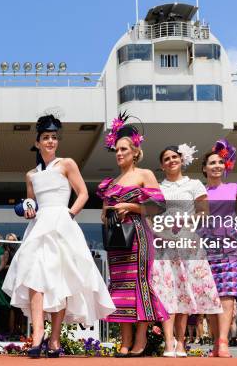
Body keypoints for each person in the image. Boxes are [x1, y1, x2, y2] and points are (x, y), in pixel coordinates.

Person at [3, 114, 115, 358]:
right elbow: (31, 204)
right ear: (37, 142)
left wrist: (70, 214)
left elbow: (84, 193)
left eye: (54, 137)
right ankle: (37, 335)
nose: (51, 141)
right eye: (46, 137)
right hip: (39, 227)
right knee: (33, 278)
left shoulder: (67, 164)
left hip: (63, 224)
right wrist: (26, 209)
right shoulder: (31, 174)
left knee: (60, 280)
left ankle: (55, 339)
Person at [96, 113, 168, 357]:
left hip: (138, 235)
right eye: (116, 150)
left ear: (135, 152)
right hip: (117, 240)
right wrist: (107, 213)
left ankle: (140, 340)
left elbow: (159, 206)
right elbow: (104, 213)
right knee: (120, 287)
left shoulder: (144, 174)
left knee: (139, 284)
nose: (119, 153)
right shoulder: (111, 182)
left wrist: (130, 207)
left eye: (124, 149)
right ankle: (124, 342)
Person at [151, 144, 222, 357]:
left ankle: (181, 343)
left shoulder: (194, 184)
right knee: (166, 293)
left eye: (175, 157)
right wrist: (159, 233)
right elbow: (150, 215)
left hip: (188, 243)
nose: (171, 160)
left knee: (182, 293)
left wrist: (184, 221)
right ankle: (168, 343)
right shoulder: (157, 187)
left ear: (181, 160)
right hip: (164, 244)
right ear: (162, 166)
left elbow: (204, 212)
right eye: (166, 158)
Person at [201, 139, 237, 357]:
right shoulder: (199, 191)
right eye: (212, 162)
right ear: (204, 168)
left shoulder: (234, 188)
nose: (216, 166)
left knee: (227, 294)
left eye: (220, 162)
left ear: (225, 166)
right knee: (211, 298)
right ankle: (215, 343)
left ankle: (223, 342)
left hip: (230, 246)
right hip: (204, 247)